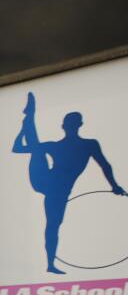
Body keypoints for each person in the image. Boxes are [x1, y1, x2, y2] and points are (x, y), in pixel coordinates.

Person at [12, 92, 125, 274]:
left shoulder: (86, 145)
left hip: (55, 188)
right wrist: (114, 186)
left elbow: (105, 165)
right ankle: (30, 117)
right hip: (46, 183)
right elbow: (16, 149)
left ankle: (29, 117)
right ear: (69, 126)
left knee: (53, 224)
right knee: (38, 150)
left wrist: (114, 185)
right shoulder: (69, 145)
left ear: (67, 126)